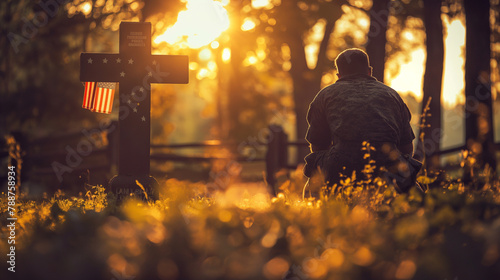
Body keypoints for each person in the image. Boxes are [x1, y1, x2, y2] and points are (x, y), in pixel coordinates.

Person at [303, 48, 422, 193]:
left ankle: (316, 210)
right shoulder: (392, 95)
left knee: (313, 180)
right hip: (389, 173)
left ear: (339, 75)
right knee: (415, 191)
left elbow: (318, 147)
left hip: (341, 172)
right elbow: (407, 148)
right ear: (369, 71)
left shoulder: (324, 96)